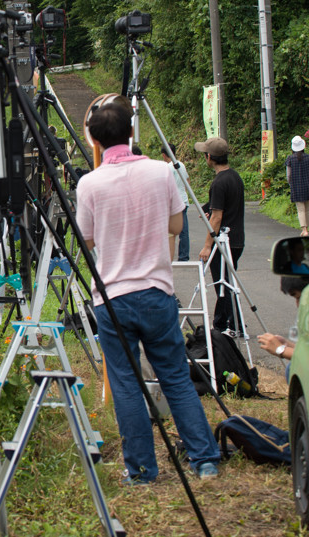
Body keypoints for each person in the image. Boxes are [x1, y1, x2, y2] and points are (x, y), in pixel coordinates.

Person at [76, 102, 220, 484]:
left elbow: (87, 239)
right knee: (174, 375)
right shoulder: (161, 172)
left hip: (112, 297)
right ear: (132, 133)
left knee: (125, 382)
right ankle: (204, 460)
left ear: (93, 137)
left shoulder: (89, 184)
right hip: (156, 289)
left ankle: (141, 470)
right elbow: (176, 225)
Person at [195, 136, 245, 333]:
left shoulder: (218, 183)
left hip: (223, 241)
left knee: (222, 285)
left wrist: (208, 245)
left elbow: (216, 217)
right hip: (237, 240)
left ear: (210, 157)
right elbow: (223, 207)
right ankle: (222, 323)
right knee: (225, 283)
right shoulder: (235, 177)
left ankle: (233, 325)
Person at [161, 143, 190, 261]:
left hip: (173, 203)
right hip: (183, 199)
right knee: (184, 231)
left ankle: (168, 256)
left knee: (170, 232)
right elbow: (187, 180)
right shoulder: (181, 165)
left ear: (164, 155)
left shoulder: (168, 167)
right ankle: (184, 256)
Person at [285, 135, 309, 237]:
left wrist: (290, 183)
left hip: (297, 186)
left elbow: (288, 175)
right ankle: (307, 228)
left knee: (301, 209)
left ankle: (304, 229)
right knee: (307, 208)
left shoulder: (290, 159)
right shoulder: (308, 158)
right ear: (303, 146)